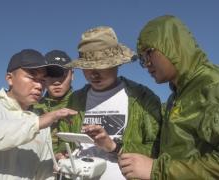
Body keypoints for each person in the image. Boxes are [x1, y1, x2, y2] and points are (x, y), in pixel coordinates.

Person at [118, 15, 219, 179]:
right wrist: (114, 147)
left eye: (148, 53)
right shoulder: (175, 98)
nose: (146, 64)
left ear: (173, 46)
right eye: (142, 59)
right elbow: (176, 154)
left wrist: (157, 170)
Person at [0, 49, 77, 180]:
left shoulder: (41, 125)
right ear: (10, 78)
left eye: (43, 80)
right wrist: (37, 124)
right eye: (32, 77)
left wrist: (54, 164)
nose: (39, 85)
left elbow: (42, 175)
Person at [58, 26, 162, 179]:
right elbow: (64, 140)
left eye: (101, 66)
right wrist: (62, 153)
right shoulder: (76, 99)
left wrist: (114, 146)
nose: (94, 73)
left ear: (117, 64)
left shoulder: (143, 98)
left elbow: (157, 149)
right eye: (87, 67)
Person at [34, 50, 74, 159]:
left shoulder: (83, 104)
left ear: (72, 76)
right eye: (51, 75)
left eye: (63, 74)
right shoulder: (32, 107)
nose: (57, 81)